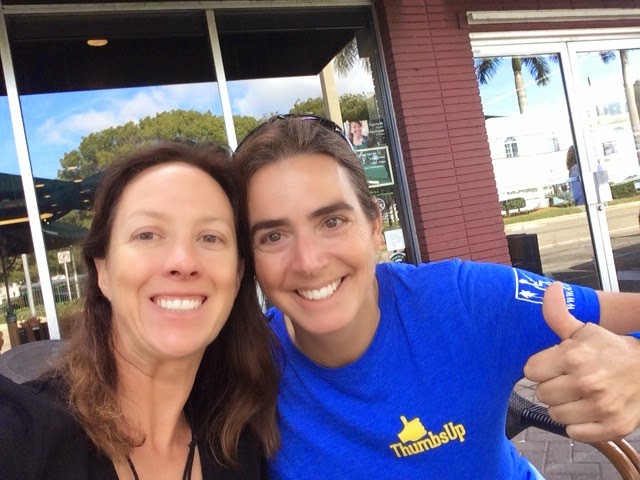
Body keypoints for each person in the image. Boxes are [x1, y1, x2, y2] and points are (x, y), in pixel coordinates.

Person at [233, 115, 640, 479]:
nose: (308, 261)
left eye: (332, 221)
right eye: (274, 236)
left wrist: (634, 365)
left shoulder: (459, 301)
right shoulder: (243, 371)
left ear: (375, 226)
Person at [0, 142, 279, 479]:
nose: (183, 262)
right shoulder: (25, 437)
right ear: (103, 271)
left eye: (210, 237)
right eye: (147, 234)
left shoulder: (240, 447)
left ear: (236, 276)